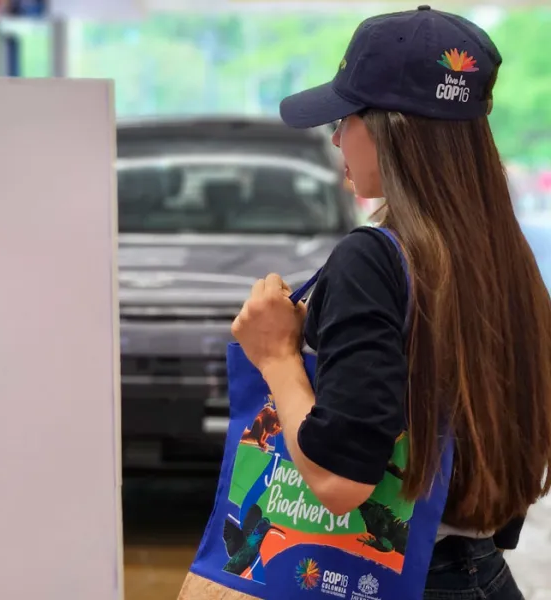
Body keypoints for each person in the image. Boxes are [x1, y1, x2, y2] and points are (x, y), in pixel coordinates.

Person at [230, 5, 551, 599]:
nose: (334, 138)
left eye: (344, 118)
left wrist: (275, 356)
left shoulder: (371, 259)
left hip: (387, 578)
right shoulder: (507, 258)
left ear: (386, 128)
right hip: (486, 576)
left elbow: (340, 479)